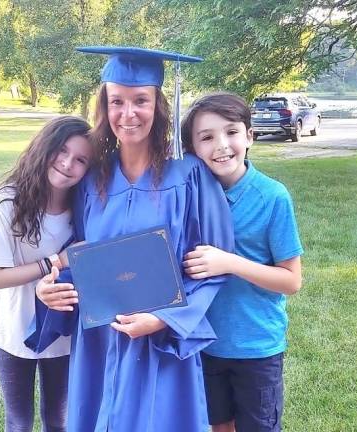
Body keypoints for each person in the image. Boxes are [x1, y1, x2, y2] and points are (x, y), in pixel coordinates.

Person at [34, 47, 234, 432]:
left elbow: (213, 267)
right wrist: (52, 289)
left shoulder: (189, 176)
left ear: (158, 105)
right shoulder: (92, 180)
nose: (128, 114)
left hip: (162, 340)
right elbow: (82, 257)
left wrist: (163, 319)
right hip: (100, 340)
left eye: (140, 100)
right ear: (104, 109)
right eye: (117, 102)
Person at [181, 92, 304, 432]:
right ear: (192, 150)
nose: (221, 145)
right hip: (206, 342)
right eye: (206, 137)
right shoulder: (188, 199)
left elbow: (291, 281)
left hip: (256, 346)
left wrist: (229, 262)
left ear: (249, 136)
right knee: (218, 426)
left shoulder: (272, 197)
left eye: (231, 132)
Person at [0, 116, 93, 432]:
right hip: (15, 332)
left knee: (58, 419)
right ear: (45, 147)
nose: (68, 164)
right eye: (62, 151)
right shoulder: (7, 203)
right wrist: (54, 261)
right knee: (19, 421)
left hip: (63, 333)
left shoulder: (85, 208)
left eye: (81, 160)